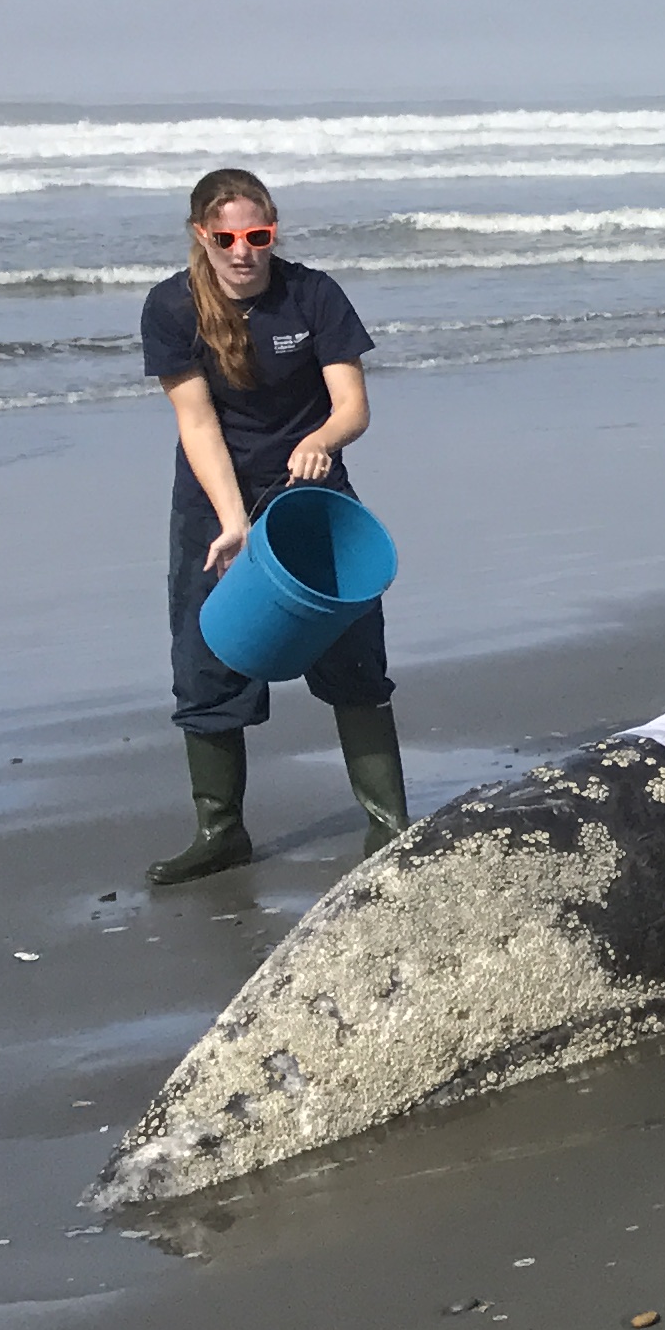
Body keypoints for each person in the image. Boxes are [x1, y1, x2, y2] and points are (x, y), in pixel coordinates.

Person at [137, 169, 410, 884]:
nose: (242, 251)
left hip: (313, 487)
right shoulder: (171, 307)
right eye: (226, 238)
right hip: (216, 495)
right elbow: (197, 424)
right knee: (209, 657)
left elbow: (352, 405)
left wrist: (324, 438)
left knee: (353, 656)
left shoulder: (313, 293)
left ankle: (387, 824)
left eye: (257, 236)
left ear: (273, 231)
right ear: (202, 235)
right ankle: (220, 831)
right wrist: (233, 523)